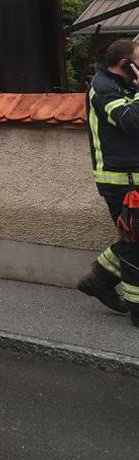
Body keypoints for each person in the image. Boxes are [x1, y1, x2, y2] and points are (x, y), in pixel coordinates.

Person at [77, 38, 139, 322]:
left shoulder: (127, 85)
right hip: (120, 182)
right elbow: (130, 121)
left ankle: (98, 279)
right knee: (134, 242)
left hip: (133, 177)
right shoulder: (102, 87)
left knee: (133, 239)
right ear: (127, 64)